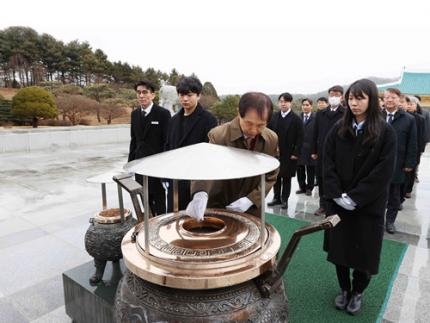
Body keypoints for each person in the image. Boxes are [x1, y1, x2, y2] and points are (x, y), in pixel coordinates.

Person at [323, 79, 396, 315]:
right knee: (340, 251)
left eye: (360, 98)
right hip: (339, 204)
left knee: (364, 254)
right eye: (351, 98)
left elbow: (383, 171)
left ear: (371, 100)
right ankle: (344, 289)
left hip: (367, 206)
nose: (354, 103)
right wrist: (336, 194)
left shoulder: (386, 132)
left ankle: (358, 291)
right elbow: (328, 163)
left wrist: (355, 197)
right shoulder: (338, 129)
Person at [187, 92, 279, 219]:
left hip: (251, 208)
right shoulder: (218, 135)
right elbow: (205, 166)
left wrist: (251, 199)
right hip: (219, 203)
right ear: (238, 113)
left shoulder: (271, 139)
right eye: (248, 123)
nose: (253, 130)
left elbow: (271, 174)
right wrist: (200, 193)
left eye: (261, 125)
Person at [165, 76, 218, 211]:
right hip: (175, 182)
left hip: (196, 184)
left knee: (195, 225)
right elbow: (167, 147)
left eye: (189, 95)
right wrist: (164, 176)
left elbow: (211, 154)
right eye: (181, 95)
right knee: (172, 222)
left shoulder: (209, 120)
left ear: (199, 95)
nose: (185, 99)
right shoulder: (173, 120)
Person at [128, 80, 171, 215]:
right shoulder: (135, 114)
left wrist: (166, 171)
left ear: (153, 95)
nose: (141, 95)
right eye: (139, 92)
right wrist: (130, 164)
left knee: (159, 201)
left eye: (145, 92)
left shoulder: (163, 114)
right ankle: (148, 225)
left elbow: (167, 142)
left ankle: (161, 228)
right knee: (145, 200)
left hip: (157, 167)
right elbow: (134, 140)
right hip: (140, 165)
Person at [383, 88, 417, 234]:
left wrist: (409, 164)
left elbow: (412, 143)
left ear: (399, 100)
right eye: (387, 97)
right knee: (375, 193)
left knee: (394, 196)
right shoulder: (376, 116)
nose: (390, 100)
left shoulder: (408, 119)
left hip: (397, 163)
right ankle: (373, 220)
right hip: (376, 163)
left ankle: (390, 221)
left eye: (393, 97)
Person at [311, 85, 345, 216]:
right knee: (321, 179)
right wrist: (314, 150)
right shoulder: (321, 113)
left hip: (338, 154)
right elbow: (315, 133)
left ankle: (334, 205)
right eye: (331, 94)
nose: (334, 97)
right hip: (321, 152)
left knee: (334, 179)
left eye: (337, 94)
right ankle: (322, 205)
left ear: (341, 97)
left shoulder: (346, 113)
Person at [267, 93, 304, 209]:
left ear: (290, 103)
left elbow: (300, 137)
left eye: (285, 102)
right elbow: (268, 133)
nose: (283, 104)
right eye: (281, 101)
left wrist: (296, 153)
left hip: (289, 154)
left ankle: (285, 200)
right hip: (275, 153)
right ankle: (276, 198)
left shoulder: (296, 119)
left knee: (286, 178)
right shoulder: (273, 117)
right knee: (276, 177)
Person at [402, 95, 425, 198]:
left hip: (414, 149)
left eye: (412, 104)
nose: (410, 106)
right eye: (409, 104)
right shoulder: (401, 117)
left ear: (416, 105)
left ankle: (408, 190)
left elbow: (421, 136)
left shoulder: (420, 119)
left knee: (411, 171)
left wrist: (420, 150)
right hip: (403, 148)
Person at [296, 98, 316, 196]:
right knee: (300, 170)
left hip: (311, 149)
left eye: (307, 105)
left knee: (310, 170)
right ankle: (302, 187)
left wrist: (316, 150)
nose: (305, 107)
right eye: (303, 105)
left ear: (311, 106)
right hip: (300, 149)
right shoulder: (297, 117)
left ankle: (310, 188)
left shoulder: (316, 118)